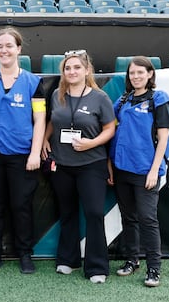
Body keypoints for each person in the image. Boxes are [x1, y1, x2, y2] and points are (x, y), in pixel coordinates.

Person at [42, 49, 116, 284]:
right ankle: (68, 259)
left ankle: (96, 267)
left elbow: (110, 129)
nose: (71, 72)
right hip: (62, 164)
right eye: (67, 68)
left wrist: (91, 143)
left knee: (94, 214)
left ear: (86, 70)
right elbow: (54, 120)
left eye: (76, 67)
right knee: (67, 212)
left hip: (91, 164)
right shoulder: (57, 95)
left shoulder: (99, 97)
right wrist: (45, 138)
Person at [0, 27, 46, 275]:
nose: (4, 50)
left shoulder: (33, 83)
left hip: (22, 156)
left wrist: (35, 153)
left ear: (18, 49)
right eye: (0, 46)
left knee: (21, 205)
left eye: (9, 45)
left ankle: (25, 253)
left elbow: (40, 120)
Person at [109, 56, 169, 287]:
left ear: (150, 74)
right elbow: (111, 129)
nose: (135, 76)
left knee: (148, 219)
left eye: (140, 72)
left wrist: (154, 170)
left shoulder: (159, 98)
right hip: (122, 168)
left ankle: (154, 268)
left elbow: (164, 137)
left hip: (147, 170)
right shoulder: (123, 99)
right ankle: (132, 260)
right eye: (132, 73)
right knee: (129, 218)